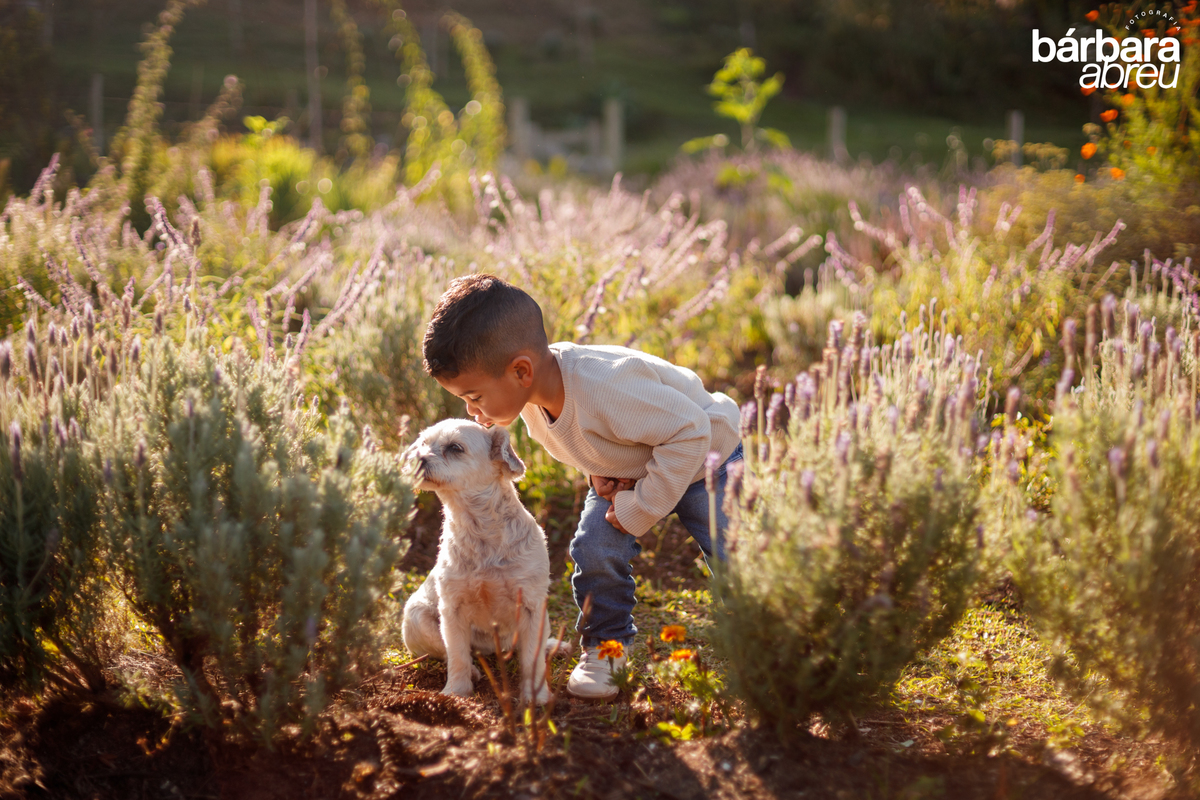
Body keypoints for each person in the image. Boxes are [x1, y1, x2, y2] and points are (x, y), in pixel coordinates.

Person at [421, 274, 743, 700]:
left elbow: (690, 430)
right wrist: (599, 475)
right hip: (631, 468)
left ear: (521, 371)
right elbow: (583, 439)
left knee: (734, 549)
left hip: (706, 459)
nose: (470, 409)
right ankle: (606, 649)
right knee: (594, 550)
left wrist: (640, 508)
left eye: (475, 396)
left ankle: (766, 633)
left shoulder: (604, 386)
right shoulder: (532, 403)